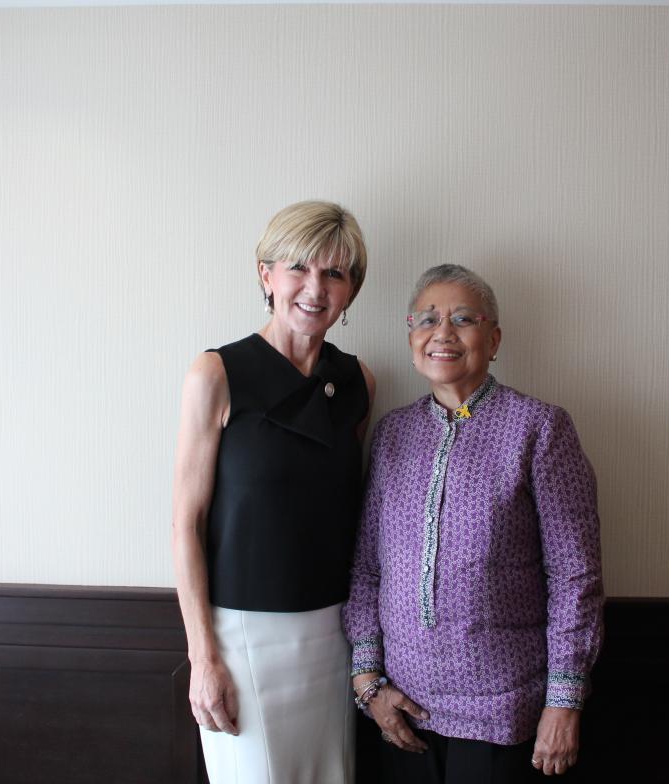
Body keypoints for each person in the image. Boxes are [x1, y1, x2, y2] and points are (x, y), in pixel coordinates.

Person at [343, 264, 603, 782]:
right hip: (401, 708)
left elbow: (576, 578)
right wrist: (368, 682)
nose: (442, 332)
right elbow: (369, 568)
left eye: (463, 318)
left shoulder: (539, 429)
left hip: (504, 712)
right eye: (427, 319)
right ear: (411, 334)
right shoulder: (393, 433)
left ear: (494, 337)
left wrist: (564, 702)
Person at [172, 201, 376, 784]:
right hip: (242, 637)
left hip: (332, 634)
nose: (316, 288)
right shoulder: (215, 374)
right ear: (266, 275)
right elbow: (185, 523)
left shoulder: (358, 381)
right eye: (299, 268)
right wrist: (202, 656)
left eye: (335, 273)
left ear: (352, 290)